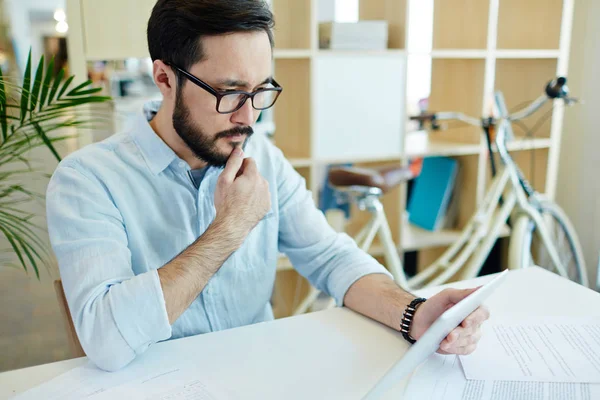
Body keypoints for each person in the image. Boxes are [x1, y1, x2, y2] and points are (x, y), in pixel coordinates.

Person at [46, 0, 489, 372]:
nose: (249, 116)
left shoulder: (265, 160)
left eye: (261, 91)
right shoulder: (88, 180)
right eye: (230, 92)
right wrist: (228, 229)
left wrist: (414, 314)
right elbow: (106, 341)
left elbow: (329, 257)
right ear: (165, 78)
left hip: (260, 377)